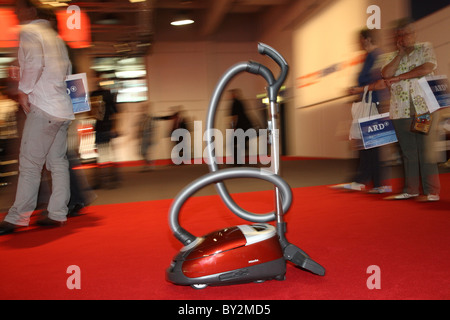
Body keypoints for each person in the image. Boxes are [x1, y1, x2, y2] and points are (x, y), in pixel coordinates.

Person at [0, 0, 74, 235]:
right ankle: (57, 213)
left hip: (44, 107)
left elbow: (34, 63)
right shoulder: (57, 39)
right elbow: (69, 71)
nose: (16, 15)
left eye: (19, 10)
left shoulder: (30, 31)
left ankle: (17, 217)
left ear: (31, 11)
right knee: (58, 163)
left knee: (31, 164)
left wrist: (24, 90)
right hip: (63, 109)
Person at [331, 28, 391, 193]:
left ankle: (379, 183)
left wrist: (357, 90)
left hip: (374, 104)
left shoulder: (377, 55)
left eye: (360, 39)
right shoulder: (367, 57)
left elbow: (380, 83)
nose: (358, 43)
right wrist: (356, 93)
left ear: (366, 39)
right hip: (366, 104)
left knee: (373, 144)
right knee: (364, 144)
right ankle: (362, 179)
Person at [90, 73, 120, 189]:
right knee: (99, 155)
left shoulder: (107, 95)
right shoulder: (94, 94)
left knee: (108, 155)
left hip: (106, 127)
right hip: (99, 128)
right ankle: (101, 181)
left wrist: (114, 127)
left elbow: (115, 113)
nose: (97, 81)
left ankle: (112, 179)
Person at [229, 89, 253, 165]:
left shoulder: (234, 103)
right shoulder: (241, 102)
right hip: (246, 126)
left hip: (240, 127)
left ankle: (237, 161)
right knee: (241, 144)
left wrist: (233, 127)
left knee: (232, 144)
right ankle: (243, 161)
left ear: (234, 95)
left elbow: (234, 117)